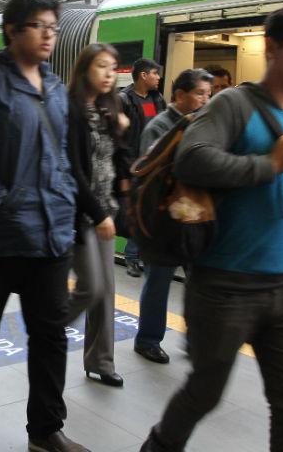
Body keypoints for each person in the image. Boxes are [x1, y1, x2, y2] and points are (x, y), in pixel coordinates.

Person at [140, 3, 283, 452]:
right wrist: (268, 163)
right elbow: (192, 157)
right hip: (226, 285)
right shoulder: (234, 103)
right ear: (271, 48)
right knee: (204, 391)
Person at [0, 0, 85, 452]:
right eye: (39, 25)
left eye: (54, 26)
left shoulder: (56, 86)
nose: (50, 34)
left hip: (50, 232)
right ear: (12, 30)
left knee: (49, 331)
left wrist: (67, 200)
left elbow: (63, 151)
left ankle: (46, 431)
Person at [133, 68, 212, 365]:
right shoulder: (158, 127)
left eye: (209, 94)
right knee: (158, 282)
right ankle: (148, 340)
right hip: (163, 220)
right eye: (200, 94)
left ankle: (195, 340)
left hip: (194, 219)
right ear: (180, 95)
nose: (207, 99)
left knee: (198, 283)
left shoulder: (204, 126)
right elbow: (149, 174)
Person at [65, 43, 129, 388]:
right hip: (78, 214)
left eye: (113, 67)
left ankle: (100, 361)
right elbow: (73, 169)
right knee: (91, 287)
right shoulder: (71, 109)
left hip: (105, 209)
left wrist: (122, 128)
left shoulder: (109, 107)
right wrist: (97, 212)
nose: (109, 73)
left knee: (106, 290)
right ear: (85, 68)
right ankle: (49, 326)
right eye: (102, 66)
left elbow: (118, 157)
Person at [120, 58, 167, 277]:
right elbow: (120, 138)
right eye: (155, 73)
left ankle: (147, 255)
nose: (158, 77)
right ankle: (131, 257)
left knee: (151, 212)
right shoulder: (125, 100)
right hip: (134, 165)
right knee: (136, 211)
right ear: (143, 76)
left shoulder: (158, 99)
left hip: (155, 164)